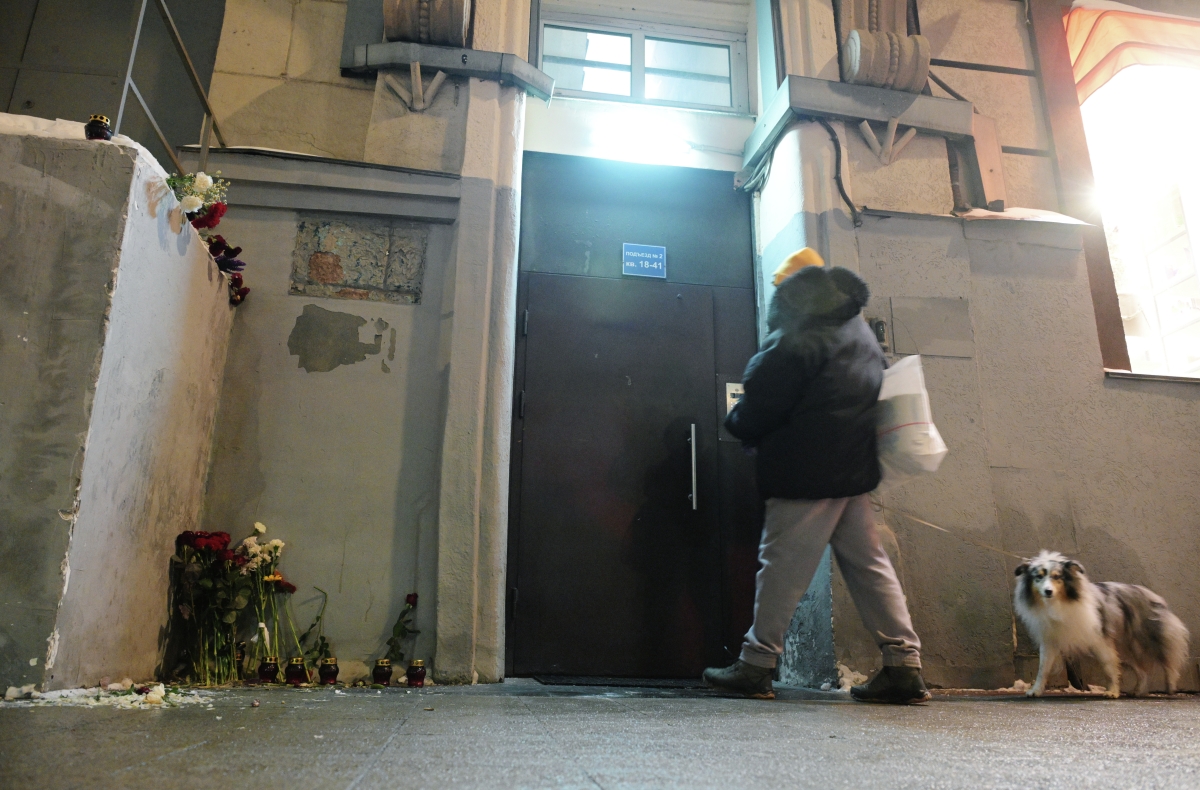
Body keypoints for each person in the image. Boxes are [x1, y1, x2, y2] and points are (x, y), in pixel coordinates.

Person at [702, 248, 930, 704]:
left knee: (781, 566)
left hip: (805, 470)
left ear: (794, 290)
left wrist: (738, 421)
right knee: (869, 566)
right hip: (853, 470)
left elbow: (763, 399)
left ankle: (755, 665)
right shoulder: (858, 329)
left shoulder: (801, 333)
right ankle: (903, 665)